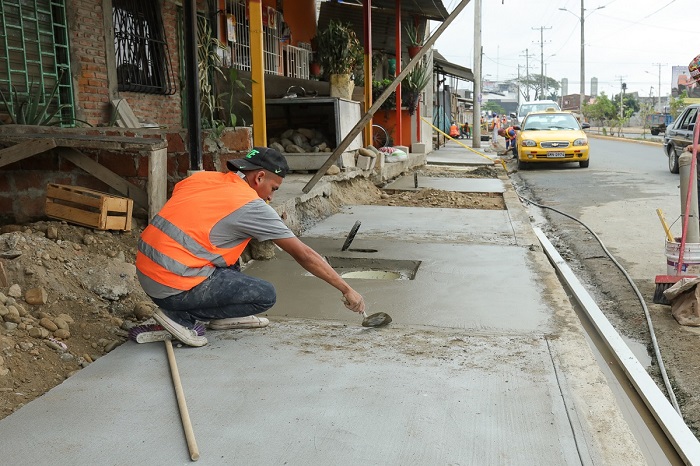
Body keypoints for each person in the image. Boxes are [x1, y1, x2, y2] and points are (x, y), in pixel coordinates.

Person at [136, 147, 366, 347]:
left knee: (229, 243)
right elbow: (304, 254)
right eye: (274, 188)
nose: (272, 197)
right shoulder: (251, 206)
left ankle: (219, 315)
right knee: (264, 295)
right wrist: (346, 289)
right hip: (173, 287)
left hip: (148, 271)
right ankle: (180, 317)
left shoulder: (203, 179)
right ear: (259, 177)